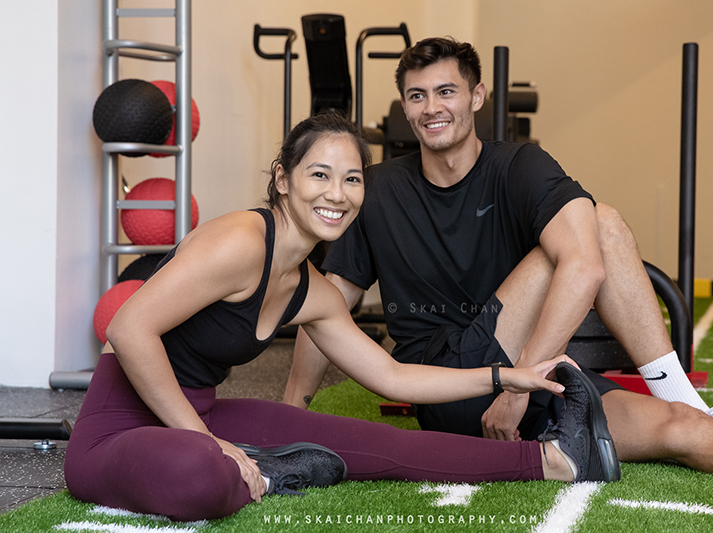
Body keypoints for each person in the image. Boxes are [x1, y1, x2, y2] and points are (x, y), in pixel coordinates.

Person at [285, 37, 713, 486]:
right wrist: (292, 412)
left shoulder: (519, 165)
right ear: (404, 105)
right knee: (595, 224)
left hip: (534, 375)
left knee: (682, 429)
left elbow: (589, 267)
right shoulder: (379, 189)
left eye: (446, 91)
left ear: (476, 97)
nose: (431, 108)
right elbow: (324, 309)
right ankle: (672, 393)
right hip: (449, 384)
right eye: (416, 96)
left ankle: (682, 401)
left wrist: (522, 386)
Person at [64, 112, 622, 523]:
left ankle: (551, 461)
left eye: (353, 179)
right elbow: (128, 328)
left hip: (200, 415)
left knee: (381, 445)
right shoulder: (238, 242)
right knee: (199, 475)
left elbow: (393, 377)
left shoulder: (312, 291)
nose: (338, 194)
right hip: (117, 432)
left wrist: (506, 377)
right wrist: (211, 444)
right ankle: (255, 471)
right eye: (320, 176)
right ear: (283, 179)